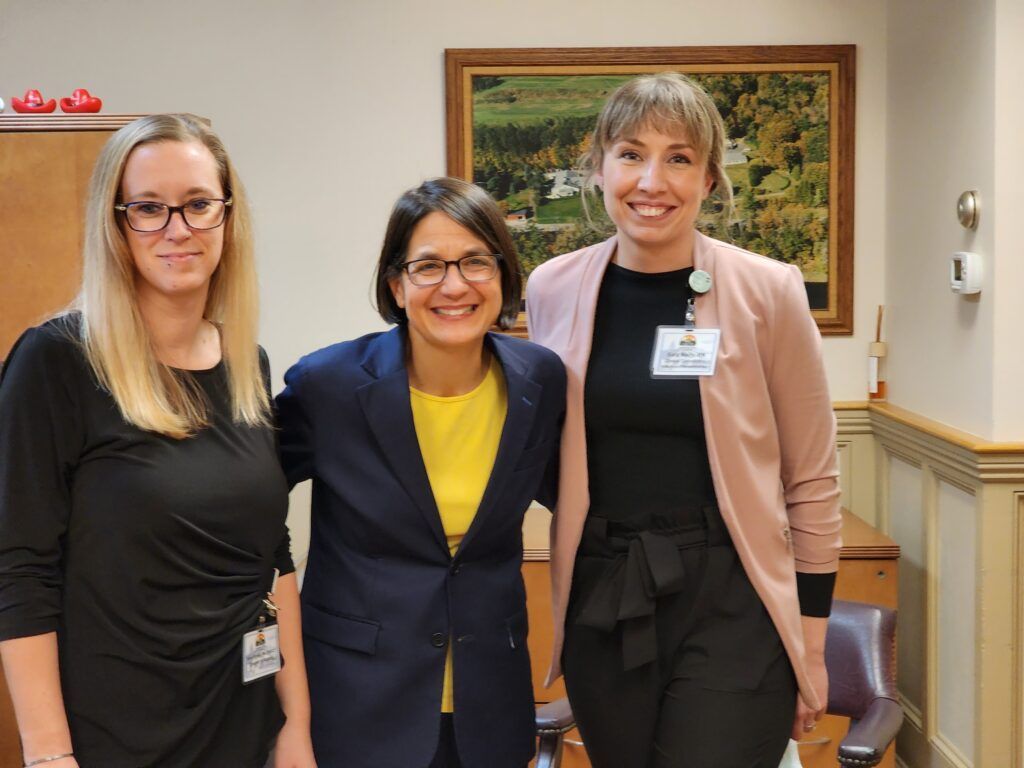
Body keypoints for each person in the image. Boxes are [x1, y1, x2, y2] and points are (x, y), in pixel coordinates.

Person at [526, 73, 842, 768]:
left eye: (679, 158)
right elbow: (553, 452)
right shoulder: (551, 289)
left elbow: (812, 479)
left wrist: (809, 645)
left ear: (708, 179)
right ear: (599, 167)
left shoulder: (769, 291)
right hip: (605, 590)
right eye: (631, 154)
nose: (652, 180)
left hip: (732, 592)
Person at [0, 114, 315, 768]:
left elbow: (272, 556)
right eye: (148, 208)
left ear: (228, 217)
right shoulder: (56, 361)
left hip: (244, 716)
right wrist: (48, 753)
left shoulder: (245, 363)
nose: (178, 229)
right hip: (115, 734)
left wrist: (296, 725)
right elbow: (18, 568)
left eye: (199, 204)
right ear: (115, 224)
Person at [275, 177, 565, 768]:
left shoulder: (541, 381)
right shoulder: (328, 387)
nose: (454, 285)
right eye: (428, 266)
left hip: (492, 705)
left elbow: (587, 501)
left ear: (504, 277)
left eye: (476, 262)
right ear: (396, 285)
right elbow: (238, 505)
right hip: (356, 703)